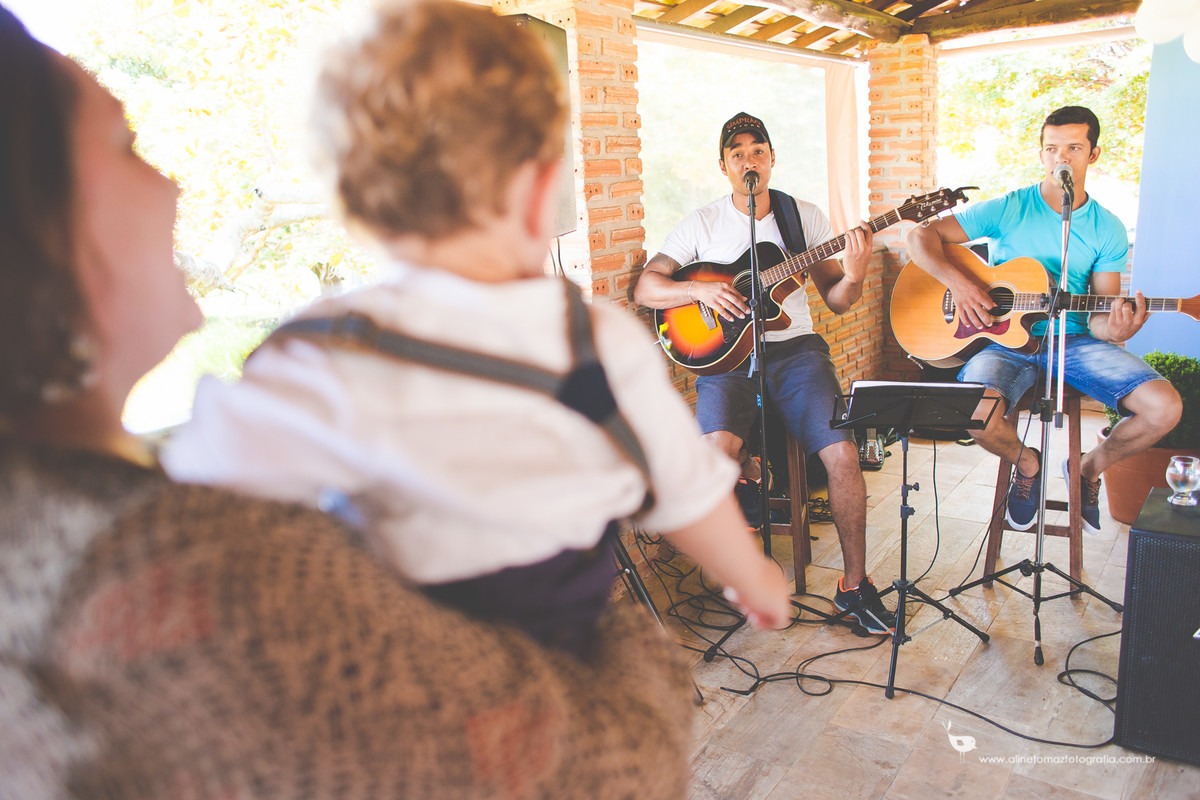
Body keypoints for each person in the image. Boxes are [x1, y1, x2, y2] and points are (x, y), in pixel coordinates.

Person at [0, 5, 698, 797]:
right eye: (127, 147)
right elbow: (623, 765)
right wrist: (617, 618)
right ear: (28, 228)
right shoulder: (191, 571)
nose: (172, 182)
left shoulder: (63, 513)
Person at [161, 0, 792, 652]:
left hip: (404, 692)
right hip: (561, 689)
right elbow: (686, 495)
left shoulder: (313, 355)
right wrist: (755, 581)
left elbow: (194, 529)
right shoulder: (594, 340)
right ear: (546, 180)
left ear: (351, 199)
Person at [633, 112, 897, 635]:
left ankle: (854, 586)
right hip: (728, 363)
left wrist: (857, 271)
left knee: (843, 456)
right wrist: (701, 290)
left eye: (758, 151)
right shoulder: (702, 224)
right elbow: (646, 289)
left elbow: (839, 303)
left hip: (795, 350)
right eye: (738, 154)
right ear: (724, 166)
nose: (748, 160)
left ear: (771, 159)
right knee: (716, 460)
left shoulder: (803, 218)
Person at [906, 105, 1182, 535]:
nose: (1061, 159)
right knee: (973, 411)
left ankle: (1088, 467)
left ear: (1093, 154)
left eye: (1073, 147)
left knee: (1164, 408)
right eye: (1052, 148)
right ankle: (1028, 463)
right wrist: (958, 284)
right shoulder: (1009, 207)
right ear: (1040, 154)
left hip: (1074, 342)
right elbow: (919, 235)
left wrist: (1118, 329)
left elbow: (1099, 316)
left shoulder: (1106, 227)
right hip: (1003, 343)